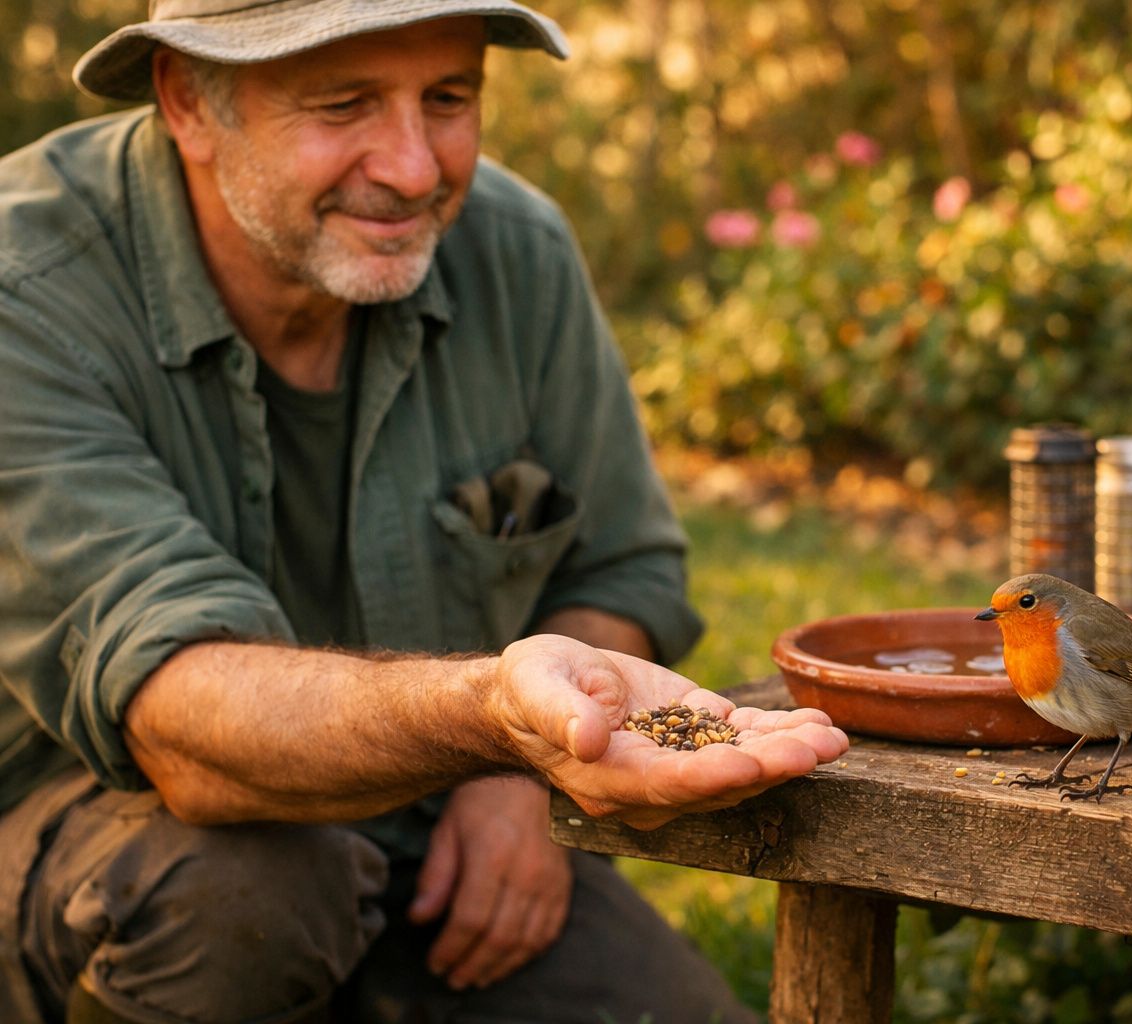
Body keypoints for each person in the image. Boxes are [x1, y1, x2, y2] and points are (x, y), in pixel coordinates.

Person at [0, 2, 849, 1021]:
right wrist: (498, 723)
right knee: (248, 898)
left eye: (449, 98)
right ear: (189, 100)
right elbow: (182, 728)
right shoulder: (25, 290)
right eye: (343, 103)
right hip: (89, 836)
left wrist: (524, 780)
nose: (413, 167)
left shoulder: (514, 245)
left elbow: (622, 568)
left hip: (436, 833)